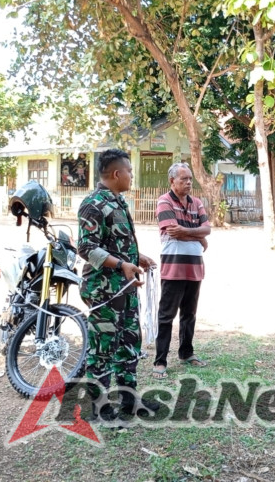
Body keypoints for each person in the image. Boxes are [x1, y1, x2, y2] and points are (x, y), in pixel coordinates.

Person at [77, 149, 158, 420]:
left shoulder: (118, 201)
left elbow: (116, 242)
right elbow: (86, 247)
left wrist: (136, 258)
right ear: (116, 174)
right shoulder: (94, 204)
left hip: (124, 289)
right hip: (104, 290)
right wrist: (121, 265)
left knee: (128, 342)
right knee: (103, 348)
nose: (132, 176)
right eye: (130, 171)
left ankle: (129, 399)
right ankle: (97, 406)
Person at [152, 163, 211, 379]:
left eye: (190, 179)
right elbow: (172, 231)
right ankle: (160, 361)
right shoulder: (164, 201)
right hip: (173, 268)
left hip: (194, 267)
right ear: (172, 181)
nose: (188, 183)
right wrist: (198, 235)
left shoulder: (197, 202)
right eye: (183, 179)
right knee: (166, 316)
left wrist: (193, 232)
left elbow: (208, 229)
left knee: (189, 314)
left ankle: (186, 353)